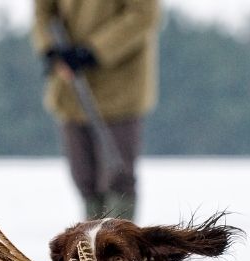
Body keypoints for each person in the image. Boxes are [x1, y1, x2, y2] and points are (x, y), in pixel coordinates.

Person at [32, 0, 160, 221]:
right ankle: (92, 246)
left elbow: (142, 16)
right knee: (83, 177)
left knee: (117, 178)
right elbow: (43, 11)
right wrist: (52, 49)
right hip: (71, 91)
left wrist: (92, 51)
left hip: (120, 91)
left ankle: (118, 247)